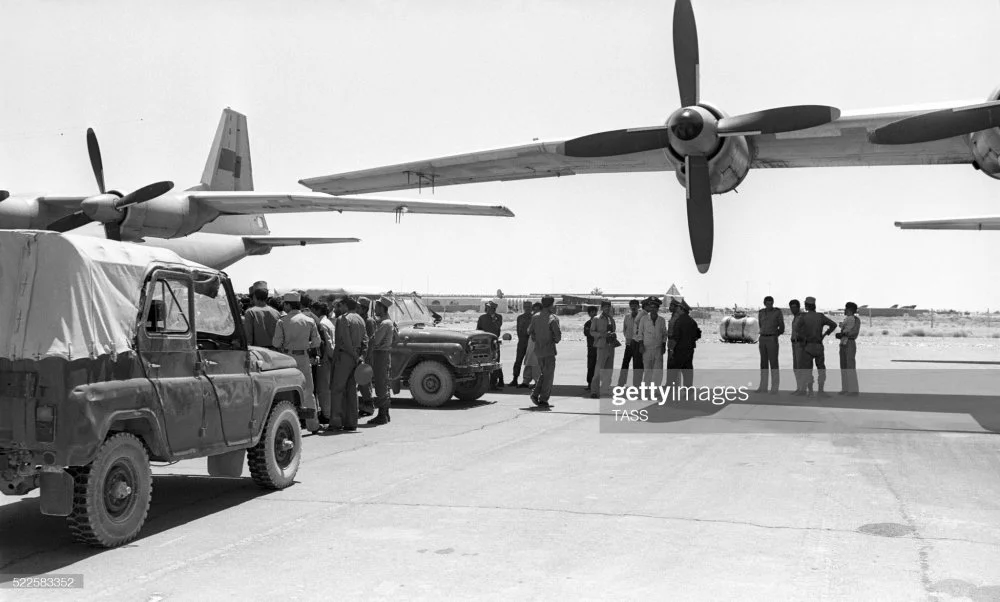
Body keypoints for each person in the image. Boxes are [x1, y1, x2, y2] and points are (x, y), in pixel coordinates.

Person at [272, 291, 321, 431]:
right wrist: (306, 346)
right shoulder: (309, 320)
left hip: (288, 358)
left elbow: (276, 343)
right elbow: (317, 341)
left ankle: (291, 425)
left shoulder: (282, 321)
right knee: (308, 391)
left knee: (287, 391)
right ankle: (313, 425)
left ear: (288, 304)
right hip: (304, 357)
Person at [330, 296, 369, 432]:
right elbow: (366, 340)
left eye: (341, 306)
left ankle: (336, 422)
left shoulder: (343, 319)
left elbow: (345, 342)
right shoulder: (360, 319)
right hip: (356, 357)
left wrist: (354, 356)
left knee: (337, 389)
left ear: (345, 306)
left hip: (345, 356)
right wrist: (361, 357)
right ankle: (352, 422)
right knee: (352, 390)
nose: (339, 308)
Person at [793, 296, 838, 398]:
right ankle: (821, 391)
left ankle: (811, 391)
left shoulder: (803, 317)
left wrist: (803, 337)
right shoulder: (820, 316)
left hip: (808, 346)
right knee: (821, 369)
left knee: (808, 370)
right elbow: (833, 325)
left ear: (806, 305)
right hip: (818, 345)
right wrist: (825, 334)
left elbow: (796, 329)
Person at [368, 296, 398, 425]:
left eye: (377, 307)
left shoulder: (385, 323)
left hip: (380, 354)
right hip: (385, 354)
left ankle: (382, 415)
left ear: (382, 308)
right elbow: (396, 338)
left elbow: (376, 341)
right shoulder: (389, 322)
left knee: (381, 385)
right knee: (384, 383)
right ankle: (385, 413)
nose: (375, 309)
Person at [528, 295, 561, 407]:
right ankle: (543, 399)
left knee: (544, 374)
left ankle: (535, 394)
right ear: (551, 305)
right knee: (549, 376)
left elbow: (530, 331)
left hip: (538, 350)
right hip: (549, 350)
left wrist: (536, 338)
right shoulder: (553, 318)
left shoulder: (535, 316)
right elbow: (557, 337)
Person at [756, 296, 786, 394]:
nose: (769, 305)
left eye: (771, 303)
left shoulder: (777, 312)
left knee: (773, 363)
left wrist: (775, 334)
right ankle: (763, 387)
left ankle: (774, 388)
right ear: (764, 303)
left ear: (773, 303)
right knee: (763, 364)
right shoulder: (761, 312)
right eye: (767, 303)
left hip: (772, 338)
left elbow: (781, 326)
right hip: (763, 338)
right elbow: (760, 325)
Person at [313, 301, 336, 426]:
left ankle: (326, 415)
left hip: (325, 359)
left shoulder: (321, 323)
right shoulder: (329, 322)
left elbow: (327, 343)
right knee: (328, 387)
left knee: (323, 388)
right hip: (330, 358)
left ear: (317, 310)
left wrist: (326, 357)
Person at [636, 297, 668, 387]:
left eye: (655, 307)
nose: (653, 309)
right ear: (649, 308)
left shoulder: (661, 320)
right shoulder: (644, 319)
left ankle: (656, 389)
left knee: (658, 370)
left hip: (658, 349)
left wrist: (663, 345)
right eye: (651, 307)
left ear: (658, 309)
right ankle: (646, 389)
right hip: (646, 349)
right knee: (647, 370)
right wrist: (641, 345)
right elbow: (640, 333)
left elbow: (664, 334)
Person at [588, 301, 617, 399]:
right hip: (601, 346)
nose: (607, 308)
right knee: (599, 369)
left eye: (609, 307)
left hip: (611, 346)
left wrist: (613, 335)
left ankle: (605, 390)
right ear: (602, 308)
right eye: (605, 307)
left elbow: (613, 330)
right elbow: (591, 332)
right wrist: (602, 335)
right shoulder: (596, 319)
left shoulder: (611, 318)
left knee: (609, 370)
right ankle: (594, 391)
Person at [668, 300, 701, 387]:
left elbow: (676, 337)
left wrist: (671, 350)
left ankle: (669, 388)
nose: (677, 308)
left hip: (679, 349)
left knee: (673, 369)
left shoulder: (679, 321)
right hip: (690, 349)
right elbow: (698, 335)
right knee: (687, 369)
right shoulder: (692, 321)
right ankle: (689, 388)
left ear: (681, 309)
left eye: (678, 307)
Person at [357, 297, 378, 417]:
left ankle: (369, 405)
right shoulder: (360, 319)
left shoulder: (369, 321)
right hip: (361, 355)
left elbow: (370, 341)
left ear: (364, 309)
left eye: (359, 307)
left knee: (365, 382)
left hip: (366, 356)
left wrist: (365, 358)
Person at [243, 282, 280, 349]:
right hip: (274, 350)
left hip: (258, 351)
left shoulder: (250, 312)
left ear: (254, 296)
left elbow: (248, 336)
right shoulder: (276, 312)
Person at [477, 301, 504, 390]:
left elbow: (497, 327)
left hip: (494, 342)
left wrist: (493, 318)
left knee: (495, 362)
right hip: (484, 342)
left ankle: (495, 382)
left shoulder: (498, 317)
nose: (488, 310)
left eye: (491, 308)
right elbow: (478, 330)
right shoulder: (482, 318)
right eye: (487, 308)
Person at [618, 299, 645, 387]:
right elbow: (624, 329)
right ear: (630, 307)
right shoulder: (627, 317)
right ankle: (621, 382)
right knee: (625, 363)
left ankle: (637, 384)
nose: (633, 307)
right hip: (629, 344)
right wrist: (628, 339)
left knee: (637, 365)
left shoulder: (642, 317)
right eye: (632, 306)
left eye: (635, 306)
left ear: (638, 307)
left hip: (638, 344)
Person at [837, 301, 861, 396]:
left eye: (846, 308)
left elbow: (854, 332)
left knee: (850, 366)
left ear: (850, 310)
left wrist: (843, 334)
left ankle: (853, 390)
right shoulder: (847, 319)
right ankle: (845, 388)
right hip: (843, 343)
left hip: (850, 342)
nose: (844, 310)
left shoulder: (855, 319)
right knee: (843, 366)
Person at [509, 301, 533, 388]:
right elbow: (518, 330)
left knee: (531, 362)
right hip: (522, 342)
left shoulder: (534, 317)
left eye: (529, 306)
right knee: (518, 361)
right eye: (525, 306)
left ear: (531, 307)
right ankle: (515, 379)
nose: (527, 308)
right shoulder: (520, 317)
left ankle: (528, 380)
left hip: (531, 342)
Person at [788, 299, 810, 396]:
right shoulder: (795, 317)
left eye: (794, 307)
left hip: (800, 344)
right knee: (796, 367)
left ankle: (803, 389)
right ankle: (799, 387)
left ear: (798, 307)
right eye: (791, 307)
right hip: (794, 344)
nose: (793, 309)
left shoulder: (802, 316)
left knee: (800, 367)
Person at [520, 302, 542, 388]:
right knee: (528, 361)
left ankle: (538, 382)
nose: (535, 311)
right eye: (534, 310)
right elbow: (528, 330)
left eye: (538, 310)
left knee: (536, 363)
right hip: (531, 342)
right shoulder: (533, 318)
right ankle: (526, 381)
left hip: (539, 342)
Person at [583, 306, 598, 390]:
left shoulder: (601, 322)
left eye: (595, 312)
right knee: (591, 366)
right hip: (591, 348)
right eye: (592, 312)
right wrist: (596, 333)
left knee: (599, 366)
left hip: (600, 347)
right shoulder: (588, 323)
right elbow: (587, 333)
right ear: (589, 314)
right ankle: (590, 383)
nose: (594, 313)